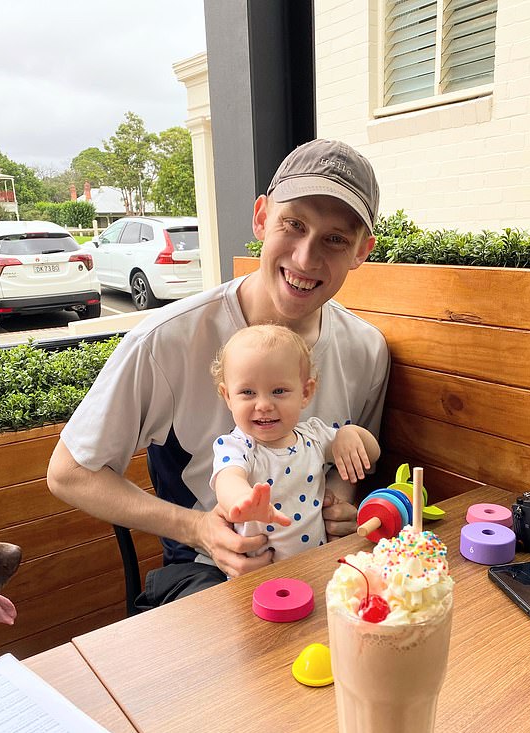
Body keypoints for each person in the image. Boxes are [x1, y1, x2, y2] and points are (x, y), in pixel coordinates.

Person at [47, 138, 390, 608]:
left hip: (320, 565)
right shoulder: (166, 340)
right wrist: (199, 530)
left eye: (335, 239)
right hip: (201, 573)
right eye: (294, 224)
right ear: (261, 217)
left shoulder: (368, 350)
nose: (307, 258)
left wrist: (338, 503)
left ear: (361, 251)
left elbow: (348, 461)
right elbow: (68, 473)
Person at [210, 324, 381, 560]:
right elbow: (228, 480)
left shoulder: (314, 436)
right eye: (248, 392)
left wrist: (351, 433)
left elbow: (372, 453)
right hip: (259, 576)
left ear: (305, 393)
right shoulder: (237, 446)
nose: (263, 405)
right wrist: (243, 501)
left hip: (315, 564)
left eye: (278, 391)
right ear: (228, 396)